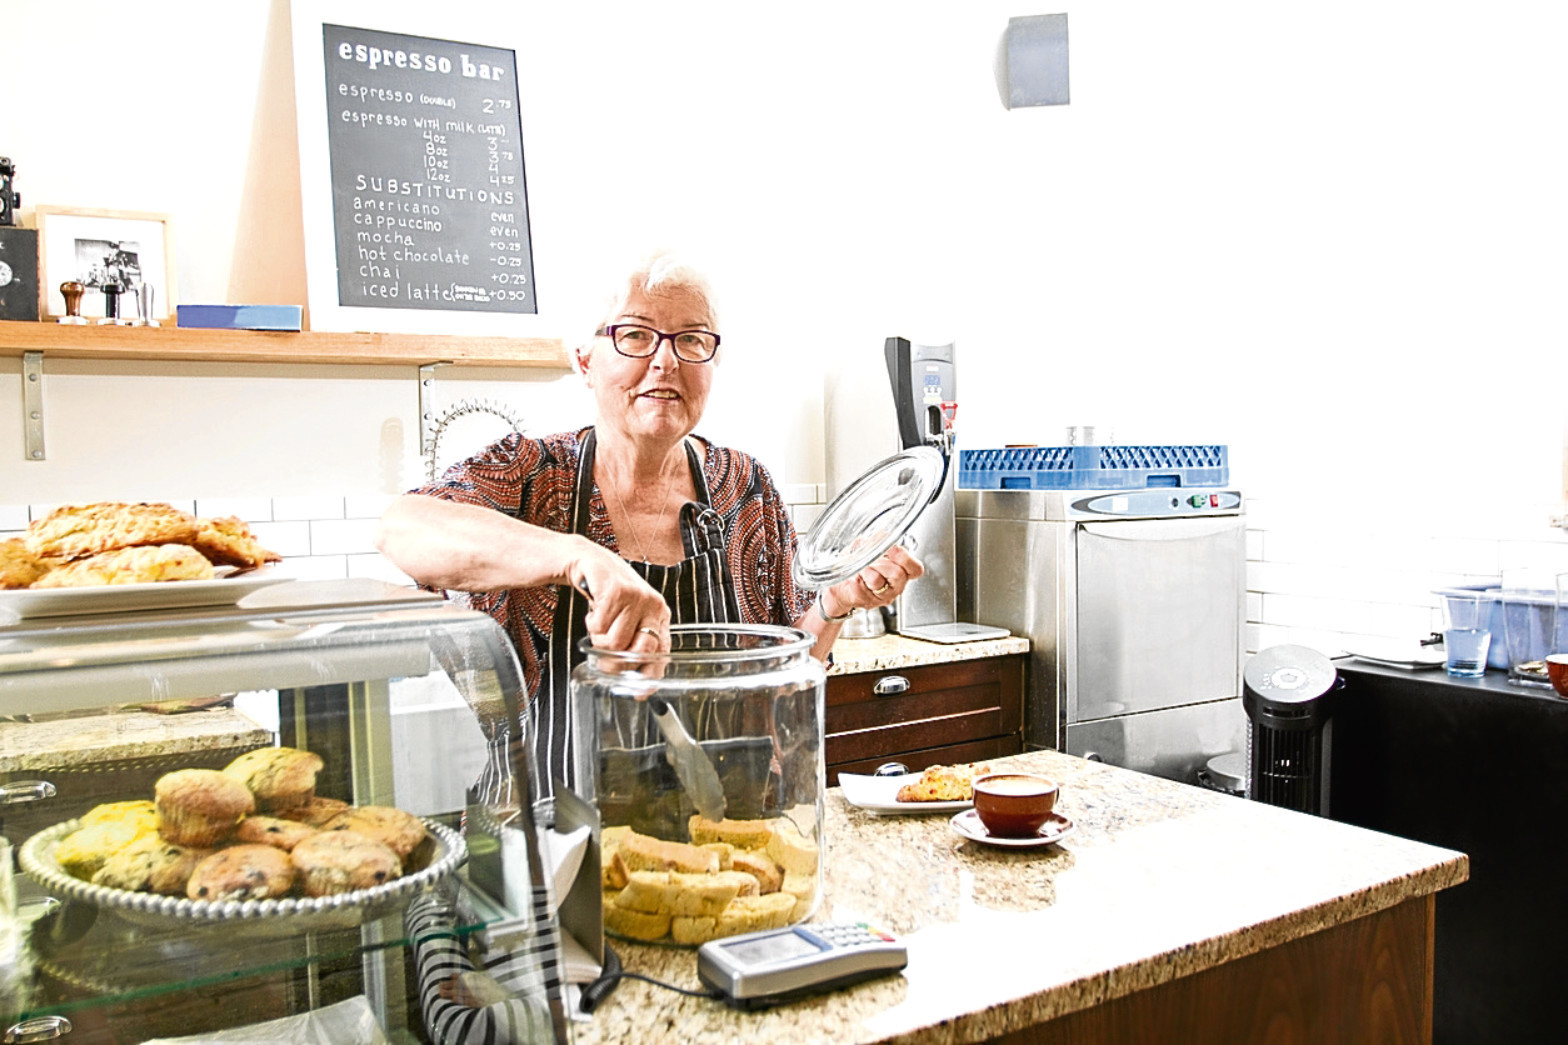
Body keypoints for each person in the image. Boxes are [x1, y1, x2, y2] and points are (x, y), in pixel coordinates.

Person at [376, 250, 922, 798]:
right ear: (585, 360)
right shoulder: (530, 474)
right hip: (559, 849)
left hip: (728, 840)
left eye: (691, 339)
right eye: (635, 335)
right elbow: (402, 527)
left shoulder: (744, 488)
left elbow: (782, 678)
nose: (666, 361)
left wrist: (834, 602)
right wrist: (579, 557)